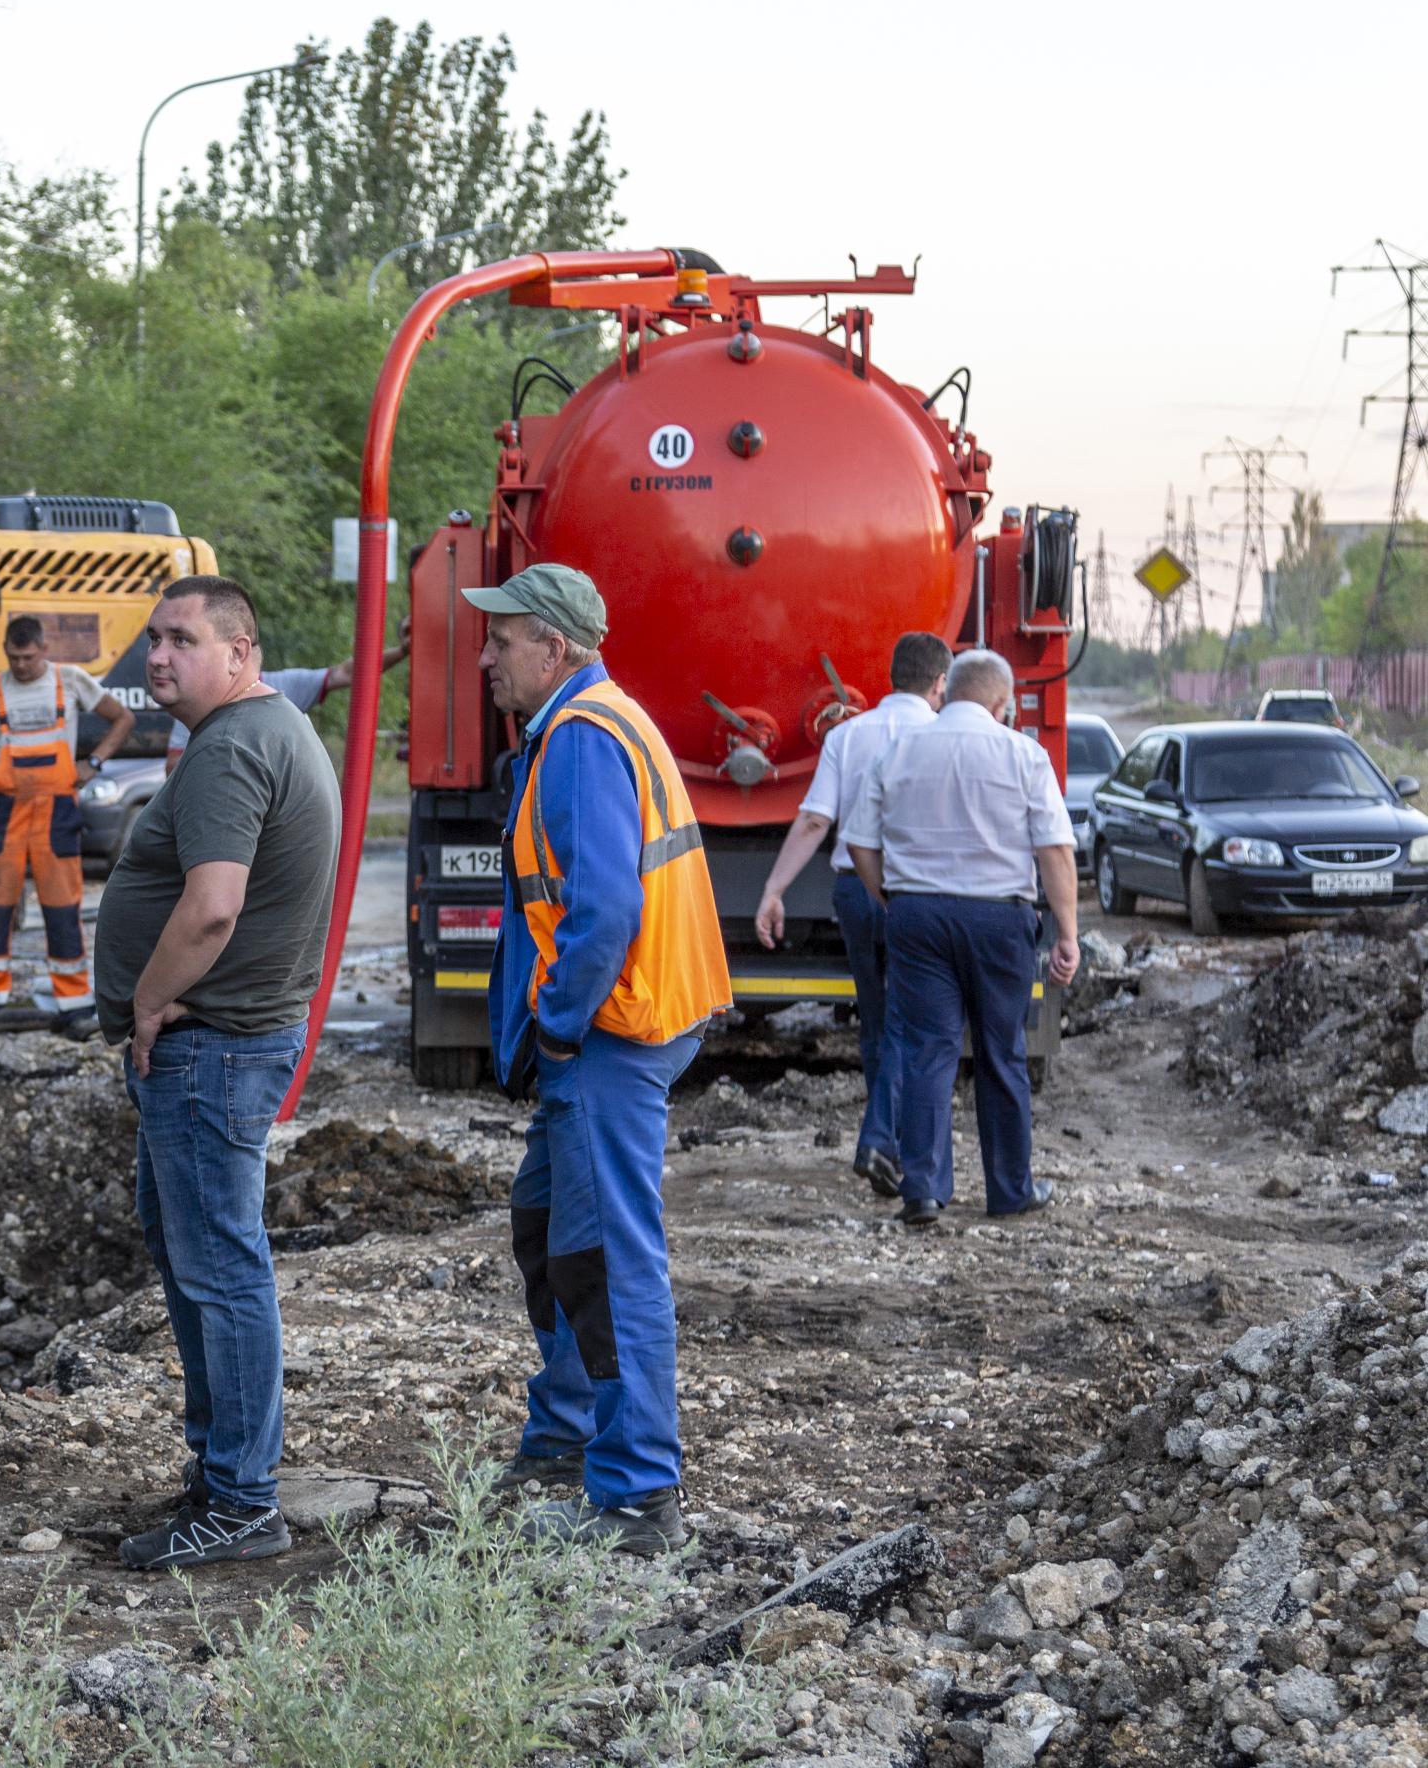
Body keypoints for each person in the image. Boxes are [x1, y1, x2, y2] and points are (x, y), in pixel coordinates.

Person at [469, 563, 729, 1557]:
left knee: (607, 1259)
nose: (486, 655)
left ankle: (636, 1491)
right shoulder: (597, 719)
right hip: (621, 1029)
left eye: (504, 638)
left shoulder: (581, 736)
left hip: (612, 1036)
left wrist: (559, 1022)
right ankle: (567, 1433)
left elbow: (605, 908)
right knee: (549, 1227)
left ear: (556, 646)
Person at [94, 576, 339, 1572]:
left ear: (240, 652)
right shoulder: (265, 727)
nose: (159, 656)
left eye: (182, 638)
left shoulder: (235, 744)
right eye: (153, 638)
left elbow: (211, 908)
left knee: (220, 1267)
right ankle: (221, 1472)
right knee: (202, 1255)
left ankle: (239, 1496)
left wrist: (149, 1000)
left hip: (209, 1046)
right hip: (228, 1043)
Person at [843, 648, 1079, 1229]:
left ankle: (922, 1190)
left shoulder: (898, 752)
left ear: (948, 692)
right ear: (1002, 703)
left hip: (917, 917)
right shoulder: (1024, 754)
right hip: (1000, 920)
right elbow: (1054, 849)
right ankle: (1009, 1190)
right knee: (1001, 1054)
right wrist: (1068, 933)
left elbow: (859, 843)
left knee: (928, 1052)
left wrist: (890, 898)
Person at [753, 630, 952, 1197]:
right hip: (918, 892)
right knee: (913, 1024)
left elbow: (815, 820)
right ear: (940, 683)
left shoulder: (849, 735)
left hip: (854, 892)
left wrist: (774, 889)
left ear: (892, 675)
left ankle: (885, 1148)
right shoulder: (943, 735)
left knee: (876, 1019)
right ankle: (879, 1140)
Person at [0, 614, 134, 1012]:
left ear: (44, 650)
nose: (21, 666)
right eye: (13, 657)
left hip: (56, 810)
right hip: (4, 811)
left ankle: (74, 998)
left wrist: (92, 764)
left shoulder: (71, 680)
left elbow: (123, 718)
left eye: (28, 657)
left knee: (62, 904)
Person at [164, 632, 407, 755]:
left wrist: (403, 650)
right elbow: (174, 769)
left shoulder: (283, 687)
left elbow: (347, 673)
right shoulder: (197, 705)